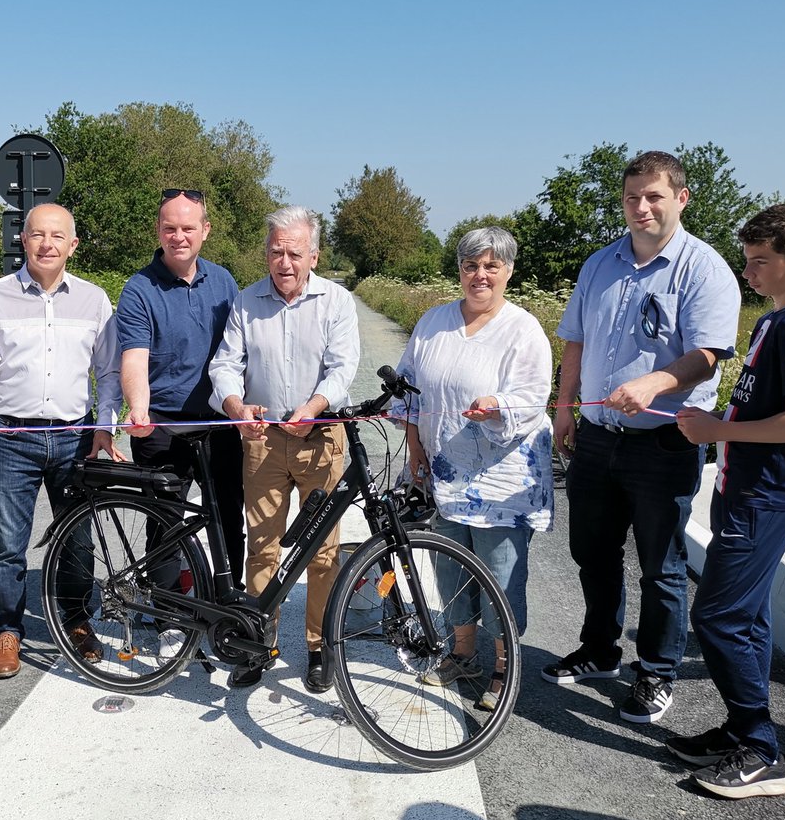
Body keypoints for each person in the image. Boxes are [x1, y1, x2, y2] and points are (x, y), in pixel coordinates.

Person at [543, 151, 741, 724]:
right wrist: (564, 407)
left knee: (662, 566)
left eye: (654, 196)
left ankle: (655, 673)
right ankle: (600, 650)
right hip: (600, 436)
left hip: (665, 441)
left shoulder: (704, 270)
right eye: (632, 197)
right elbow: (575, 340)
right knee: (592, 552)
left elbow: (707, 356)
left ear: (680, 198)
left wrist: (656, 382)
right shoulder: (600, 264)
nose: (641, 207)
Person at [668, 203, 785, 799]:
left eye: (762, 262)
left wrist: (719, 433)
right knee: (752, 615)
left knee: (717, 617)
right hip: (742, 488)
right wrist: (720, 420)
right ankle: (743, 731)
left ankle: (763, 752)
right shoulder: (773, 319)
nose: (750, 272)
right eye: (747, 261)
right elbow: (763, 408)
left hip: (765, 496)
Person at [0, 203, 123, 679]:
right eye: (37, 235)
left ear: (72, 244)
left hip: (74, 436)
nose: (47, 243)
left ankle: (77, 620)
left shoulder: (94, 300)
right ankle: (8, 630)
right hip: (12, 436)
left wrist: (105, 425)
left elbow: (107, 373)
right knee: (8, 542)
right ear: (22, 241)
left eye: (57, 236)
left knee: (79, 540)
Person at [394, 227, 553, 711]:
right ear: (459, 270)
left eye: (491, 266)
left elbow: (531, 397)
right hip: (446, 473)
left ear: (508, 271)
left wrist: (497, 406)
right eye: (470, 265)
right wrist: (415, 450)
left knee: (501, 575)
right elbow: (409, 389)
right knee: (449, 568)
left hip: (502, 482)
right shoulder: (434, 322)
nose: (479, 275)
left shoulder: (523, 329)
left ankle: (505, 667)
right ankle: (462, 653)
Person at [208, 205, 359, 691]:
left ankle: (320, 647)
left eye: (295, 252)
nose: (285, 262)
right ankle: (260, 641)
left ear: (314, 255)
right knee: (263, 546)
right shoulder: (246, 302)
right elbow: (225, 364)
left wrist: (315, 405)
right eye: (277, 252)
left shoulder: (335, 301)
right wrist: (234, 404)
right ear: (266, 253)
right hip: (264, 441)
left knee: (322, 553)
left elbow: (342, 367)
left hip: (320, 439)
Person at [117, 188, 246, 589]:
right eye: (170, 228)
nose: (179, 236)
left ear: (205, 230)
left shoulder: (224, 282)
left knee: (227, 517)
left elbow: (242, 350)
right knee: (165, 524)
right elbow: (134, 358)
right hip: (162, 426)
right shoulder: (139, 289)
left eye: (188, 227)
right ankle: (168, 613)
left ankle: (227, 604)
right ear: (158, 231)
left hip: (219, 422)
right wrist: (138, 408)